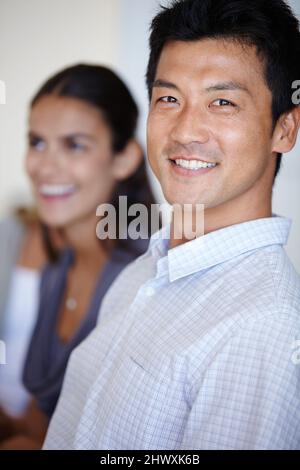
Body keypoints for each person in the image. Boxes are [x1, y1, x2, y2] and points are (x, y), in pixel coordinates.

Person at [44, 0, 300, 450]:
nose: (185, 131)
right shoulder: (147, 270)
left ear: (285, 129)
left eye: (223, 102)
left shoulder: (264, 325)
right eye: (169, 98)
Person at [0, 64, 156, 449]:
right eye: (37, 142)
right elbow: (39, 425)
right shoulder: (58, 264)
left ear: (124, 158)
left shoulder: (146, 278)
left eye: (75, 145)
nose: (45, 167)